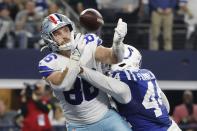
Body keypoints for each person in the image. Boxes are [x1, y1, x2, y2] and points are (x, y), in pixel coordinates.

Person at [38, 13, 131, 131]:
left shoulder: (87, 43)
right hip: (79, 126)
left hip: (107, 117)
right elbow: (63, 85)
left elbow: (114, 58)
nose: (64, 36)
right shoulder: (48, 63)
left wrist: (118, 44)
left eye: (66, 30)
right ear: (48, 38)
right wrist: (75, 56)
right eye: (57, 33)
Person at [79, 44, 182, 131]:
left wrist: (79, 68)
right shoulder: (148, 74)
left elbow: (102, 81)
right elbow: (166, 107)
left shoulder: (121, 78)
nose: (107, 64)